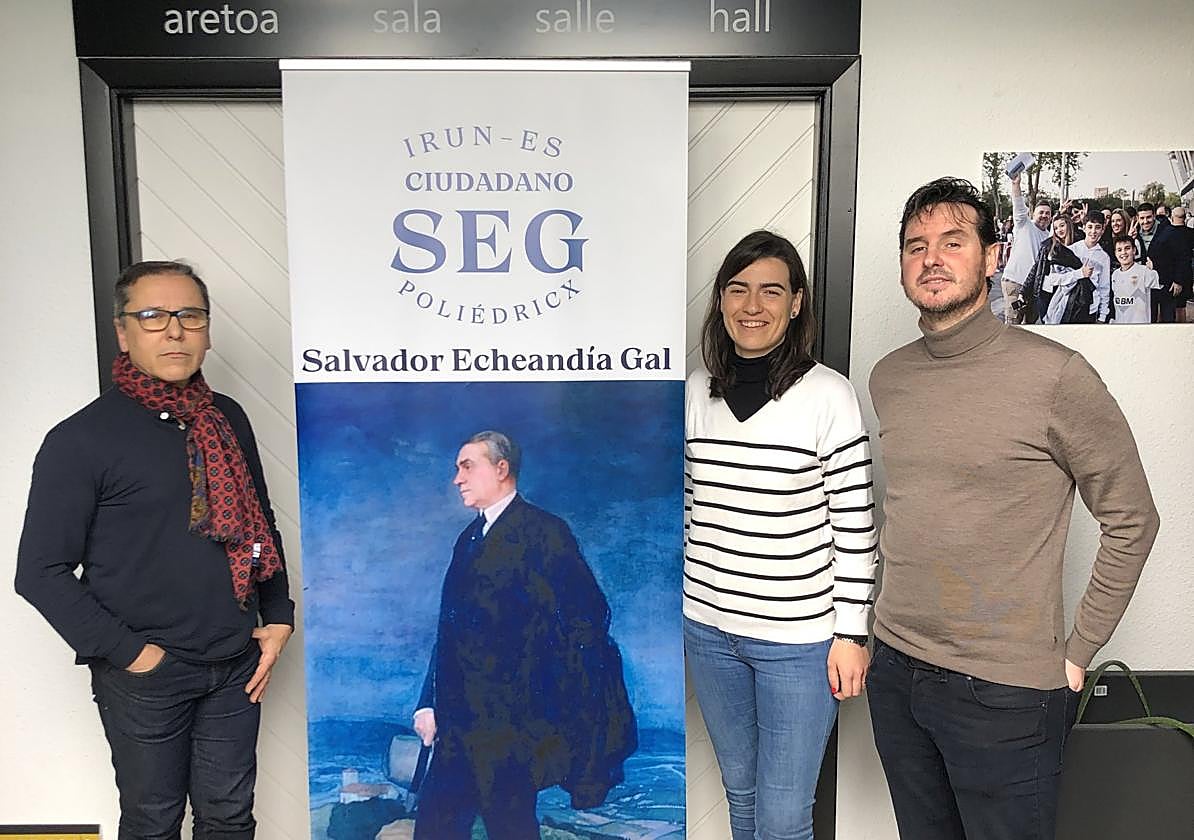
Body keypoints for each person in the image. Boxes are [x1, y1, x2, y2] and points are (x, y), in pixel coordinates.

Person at [867, 177, 1160, 840]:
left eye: (953, 242)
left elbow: (1132, 518)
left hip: (1004, 693)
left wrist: (1079, 651)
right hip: (896, 672)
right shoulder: (890, 377)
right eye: (916, 246)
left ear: (993, 257)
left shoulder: (1056, 376)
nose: (931, 259)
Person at [15, 260, 294, 840]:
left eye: (190, 315)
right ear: (123, 333)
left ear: (207, 330)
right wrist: (133, 655)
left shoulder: (227, 419)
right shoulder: (81, 439)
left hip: (235, 663)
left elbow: (257, 523)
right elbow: (39, 571)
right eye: (153, 316)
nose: (174, 330)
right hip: (145, 674)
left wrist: (278, 615)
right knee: (153, 823)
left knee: (230, 819)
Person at [683, 230, 877, 840]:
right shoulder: (696, 392)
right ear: (721, 300)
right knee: (741, 798)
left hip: (798, 642)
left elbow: (855, 523)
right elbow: (689, 507)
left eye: (771, 291)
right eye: (738, 289)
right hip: (708, 631)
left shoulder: (828, 395)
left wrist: (851, 633)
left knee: (784, 817)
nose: (752, 305)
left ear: (796, 304)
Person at [412, 430, 636, 840]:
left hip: (513, 733)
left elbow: (588, 620)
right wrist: (427, 703)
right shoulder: (468, 539)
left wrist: (542, 704)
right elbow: (449, 632)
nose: (457, 478)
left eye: (467, 467)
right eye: (458, 468)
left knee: (511, 830)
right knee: (434, 831)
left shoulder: (545, 532)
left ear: (501, 469)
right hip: (456, 730)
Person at [1000, 173, 1052, 324]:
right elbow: (1018, 204)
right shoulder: (1024, 224)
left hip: (1033, 289)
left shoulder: (1048, 236)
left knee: (1030, 325)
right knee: (1013, 326)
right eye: (1041, 212)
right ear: (1033, 214)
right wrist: (1016, 184)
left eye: (1047, 213)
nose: (1044, 215)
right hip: (1015, 283)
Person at [1045, 214, 1110, 324]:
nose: (1093, 231)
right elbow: (1053, 279)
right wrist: (1079, 274)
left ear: (1103, 230)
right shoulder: (1071, 250)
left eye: (1098, 227)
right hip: (1068, 307)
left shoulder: (1104, 257)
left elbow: (1104, 288)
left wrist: (1102, 316)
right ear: (1084, 227)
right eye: (1090, 227)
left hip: (1090, 309)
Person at [1134, 202, 1190, 322]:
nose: (1145, 221)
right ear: (1138, 218)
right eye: (1142, 218)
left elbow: (1182, 257)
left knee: (1168, 320)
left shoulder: (1169, 232)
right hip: (1145, 286)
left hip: (1166, 283)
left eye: (1148, 217)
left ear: (1154, 216)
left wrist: (1178, 280)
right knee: (1148, 319)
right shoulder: (1134, 233)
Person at [1110, 234, 1161, 323]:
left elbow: (1162, 285)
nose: (1123, 253)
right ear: (1115, 253)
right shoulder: (1115, 274)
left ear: (1134, 250)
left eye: (1127, 248)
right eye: (1119, 250)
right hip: (1120, 325)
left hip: (1140, 326)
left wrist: (1154, 269)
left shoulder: (1144, 271)